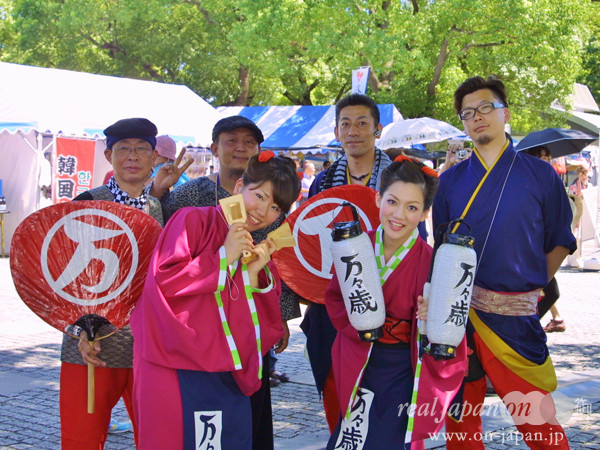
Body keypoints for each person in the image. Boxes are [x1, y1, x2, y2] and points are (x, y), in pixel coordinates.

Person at [433, 76, 576, 448]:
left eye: (485, 108)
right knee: (461, 426)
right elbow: (441, 249)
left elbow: (561, 239)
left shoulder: (540, 174)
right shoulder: (449, 182)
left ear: (505, 113)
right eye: (468, 112)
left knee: (540, 426)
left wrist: (530, 286)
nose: (477, 117)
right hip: (457, 322)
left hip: (515, 319)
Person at [130, 152, 301, 449]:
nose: (262, 211)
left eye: (275, 206)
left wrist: (254, 272)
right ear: (238, 189)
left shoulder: (255, 249)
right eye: (258, 195)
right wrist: (223, 256)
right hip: (176, 365)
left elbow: (258, 321)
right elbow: (164, 281)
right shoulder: (192, 220)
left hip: (228, 370)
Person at [325, 156, 466, 448]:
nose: (398, 215)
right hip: (359, 356)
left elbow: (450, 329)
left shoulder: (435, 262)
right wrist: (359, 321)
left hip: (403, 367)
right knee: (350, 438)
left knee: (389, 439)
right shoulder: (355, 246)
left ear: (425, 213)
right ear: (378, 198)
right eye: (392, 202)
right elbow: (336, 298)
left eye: (412, 207)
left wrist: (431, 320)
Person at [60, 118, 165, 449]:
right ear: (109, 156)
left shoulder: (163, 208)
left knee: (157, 436)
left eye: (141, 149)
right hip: (93, 344)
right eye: (123, 149)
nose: (132, 156)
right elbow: (64, 275)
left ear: (155, 158)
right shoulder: (87, 202)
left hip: (149, 347)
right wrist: (82, 330)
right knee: (82, 438)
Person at [301, 93, 392, 432]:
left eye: (362, 123)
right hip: (333, 303)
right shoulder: (323, 183)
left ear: (377, 129)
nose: (354, 131)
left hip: (388, 298)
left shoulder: (398, 177)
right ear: (337, 132)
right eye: (346, 124)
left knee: (382, 395)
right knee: (336, 391)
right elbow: (307, 245)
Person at [527, 146, 566, 333]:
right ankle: (530, 325)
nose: (545, 160)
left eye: (547, 157)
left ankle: (531, 324)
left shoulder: (550, 181)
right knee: (550, 292)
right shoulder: (528, 182)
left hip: (544, 248)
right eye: (540, 157)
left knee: (550, 293)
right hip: (531, 249)